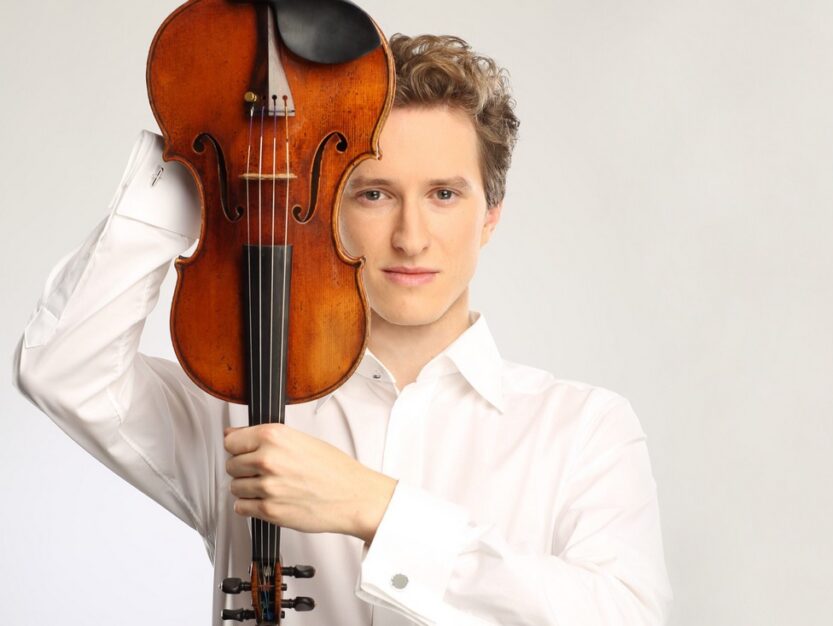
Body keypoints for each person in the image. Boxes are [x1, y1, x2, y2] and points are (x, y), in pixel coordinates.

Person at [14, 32, 672, 625]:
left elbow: (624, 615)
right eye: (374, 194)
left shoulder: (584, 428)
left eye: (444, 194)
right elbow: (63, 368)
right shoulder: (244, 405)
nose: (411, 237)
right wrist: (199, 156)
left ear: (491, 216)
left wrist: (376, 508)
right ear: (329, 206)